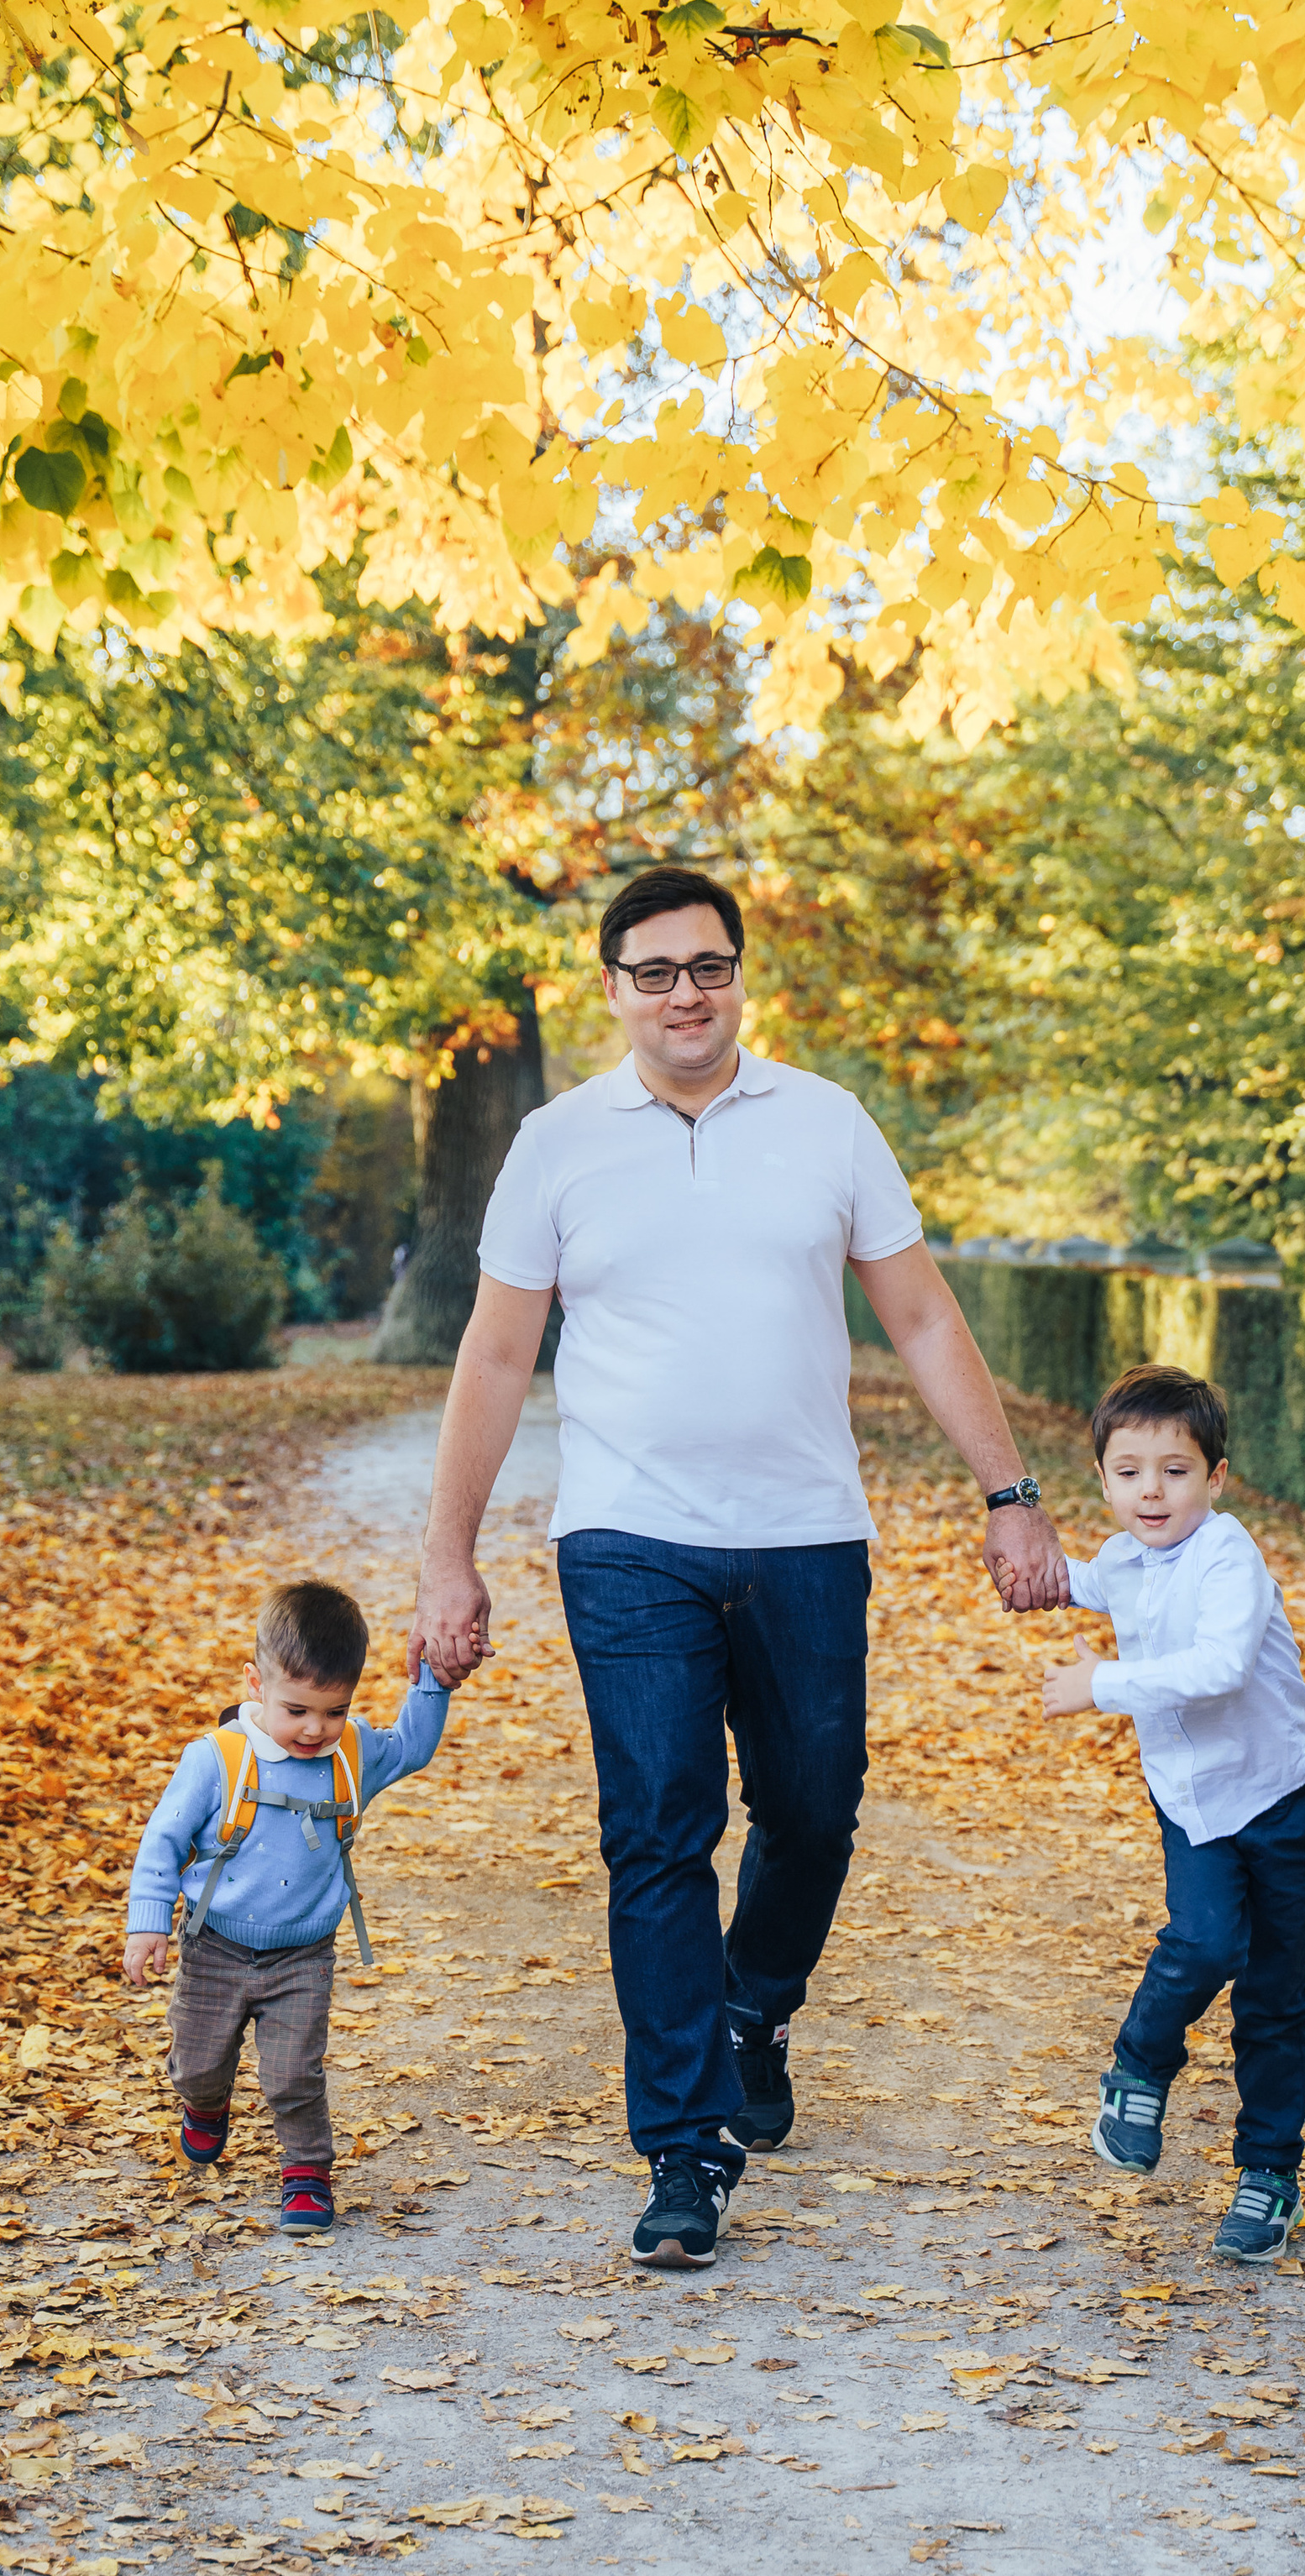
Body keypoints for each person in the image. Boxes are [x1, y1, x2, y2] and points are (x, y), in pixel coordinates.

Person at [407, 862, 1068, 2271]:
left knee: (816, 1812)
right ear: (613, 990)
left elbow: (925, 1321)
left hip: (808, 1536)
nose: (683, 994)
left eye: (705, 966)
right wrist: (447, 1554)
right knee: (656, 1830)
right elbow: (498, 1355)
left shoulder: (827, 1124)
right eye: (654, 972)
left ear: (739, 974)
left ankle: (754, 2011)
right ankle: (686, 2146)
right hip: (628, 1540)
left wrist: (1012, 1496)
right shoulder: (558, 1144)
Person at [1041, 1362, 1305, 2263]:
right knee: (1205, 1941)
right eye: (1128, 1471)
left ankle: (1267, 2175)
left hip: (1280, 1797)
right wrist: (1033, 1569)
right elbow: (1089, 1582)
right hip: (1193, 1802)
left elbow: (1221, 1666)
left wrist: (1101, 1685)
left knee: (1273, 1993)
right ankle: (1138, 2066)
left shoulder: (1227, 1556)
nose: (1151, 1490)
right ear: (1103, 1480)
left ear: (1215, 1478)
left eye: (1174, 1470)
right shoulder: (1127, 1561)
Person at [124, 1577, 453, 2237]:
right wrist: (148, 1921)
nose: (315, 1729)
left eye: (334, 1711)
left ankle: (307, 2171)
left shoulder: (351, 1751)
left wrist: (434, 1680)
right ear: (255, 1684)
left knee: (293, 2073)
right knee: (196, 2064)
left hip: (303, 1952)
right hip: (215, 1943)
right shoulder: (218, 1758)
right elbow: (164, 1838)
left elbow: (413, 1746)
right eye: (297, 1709)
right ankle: (206, 2106)